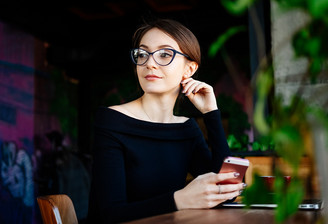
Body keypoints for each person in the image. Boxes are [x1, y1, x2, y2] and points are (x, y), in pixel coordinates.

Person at [87, 18, 246, 223]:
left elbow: (226, 192)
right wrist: (179, 200)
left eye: (164, 54)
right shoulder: (111, 121)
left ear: (189, 69)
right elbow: (108, 215)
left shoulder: (186, 129)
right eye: (142, 54)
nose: (150, 63)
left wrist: (211, 112)